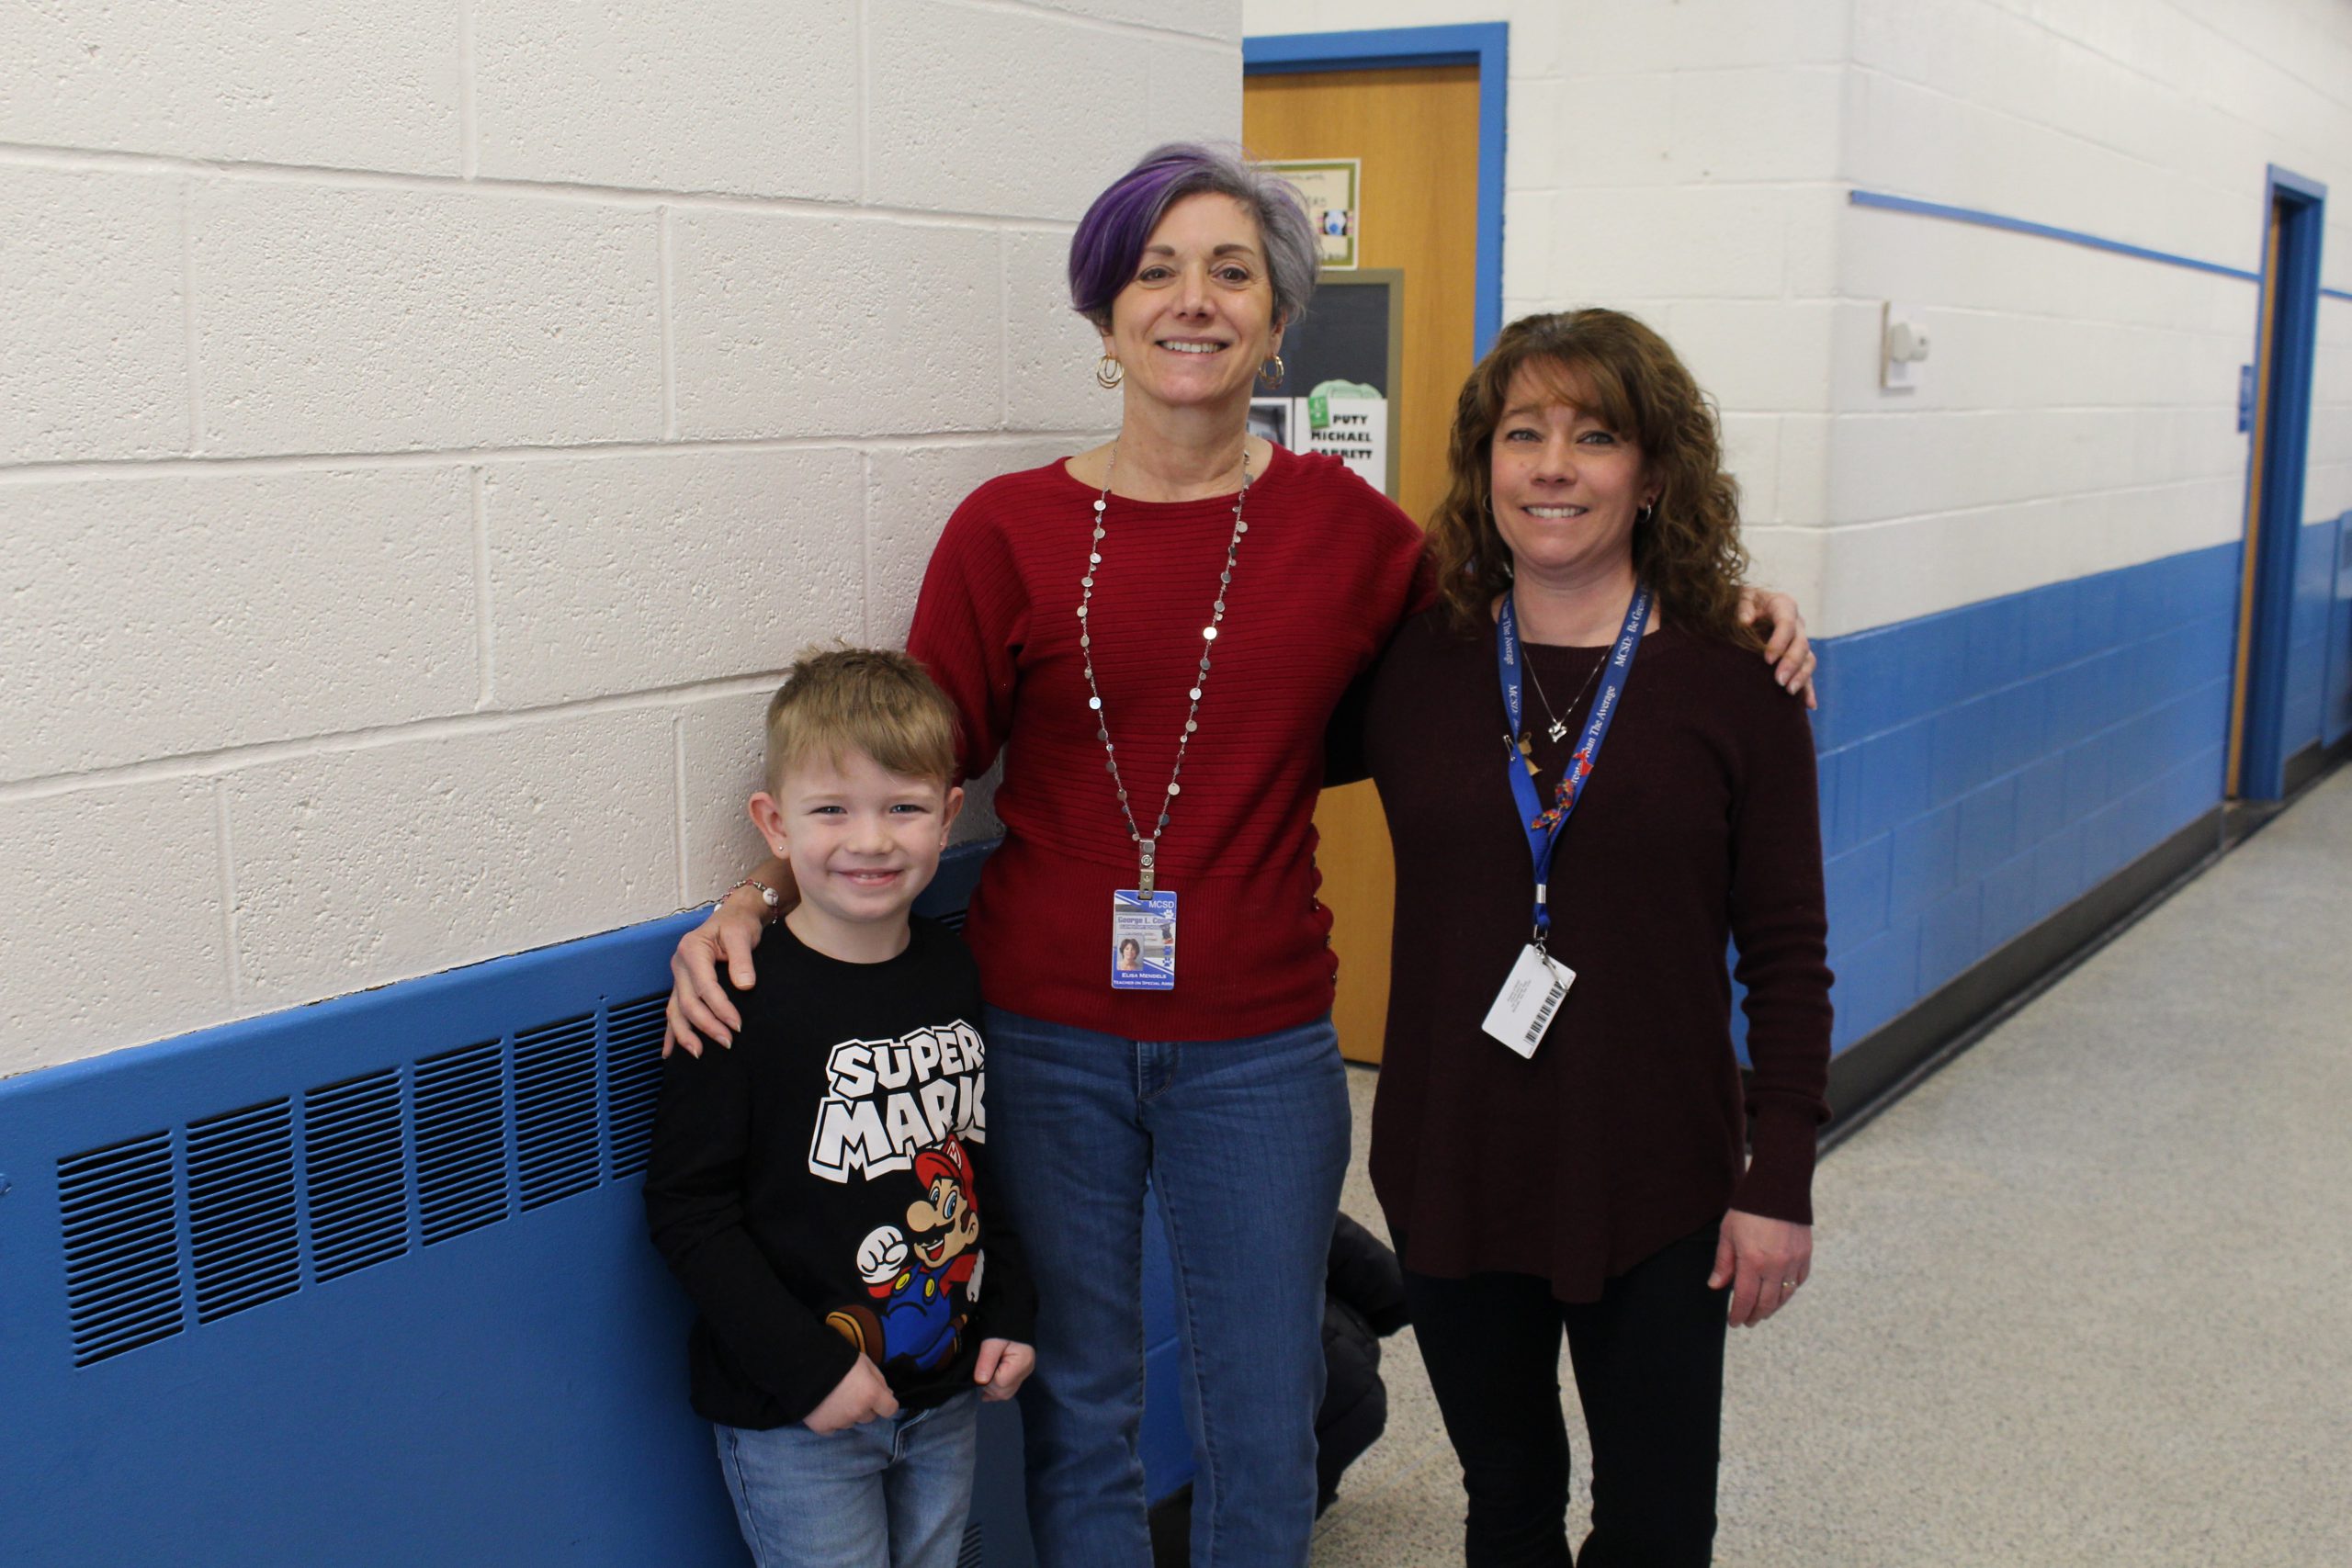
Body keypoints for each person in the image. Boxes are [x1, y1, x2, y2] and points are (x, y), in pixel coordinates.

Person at [664, 145, 1817, 1568]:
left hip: (1262, 1036)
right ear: (1105, 319)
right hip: (1047, 1026)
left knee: (1261, 1410)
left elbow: (1540, 619)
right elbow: (901, 764)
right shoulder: (1006, 531)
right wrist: (754, 892)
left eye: (1232, 273)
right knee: (1081, 1401)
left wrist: (1729, 608)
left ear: (1278, 322)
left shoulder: (1359, 540)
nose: (1192, 302)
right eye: (1155, 271)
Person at [1362, 310, 1834, 1566]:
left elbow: (1789, 951)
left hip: (1660, 1171)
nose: (1554, 465)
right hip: (1453, 1153)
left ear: (1655, 471)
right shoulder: (1417, 657)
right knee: (1506, 1498)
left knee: (1657, 1518)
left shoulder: (1738, 677)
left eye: (1595, 435)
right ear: (1485, 465)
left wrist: (1776, 1173)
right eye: (1524, 434)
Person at [643, 648, 1037, 1568]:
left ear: (947, 818)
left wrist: (1011, 1308)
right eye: (832, 811)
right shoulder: (731, 999)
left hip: (944, 1393)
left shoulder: (956, 972)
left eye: (902, 808)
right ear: (774, 825)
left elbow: (988, 1165)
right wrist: (808, 1371)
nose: (870, 841)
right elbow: (687, 1209)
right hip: (797, 1415)